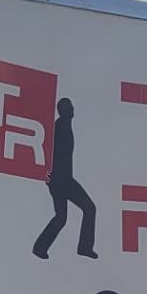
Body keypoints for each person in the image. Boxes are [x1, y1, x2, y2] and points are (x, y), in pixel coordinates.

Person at [33, 97, 98, 259]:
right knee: (89, 208)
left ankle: (40, 247)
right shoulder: (60, 126)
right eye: (70, 107)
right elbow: (50, 152)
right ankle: (84, 247)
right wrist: (48, 174)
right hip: (62, 179)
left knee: (61, 217)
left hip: (58, 179)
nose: (73, 109)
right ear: (65, 110)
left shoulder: (63, 126)